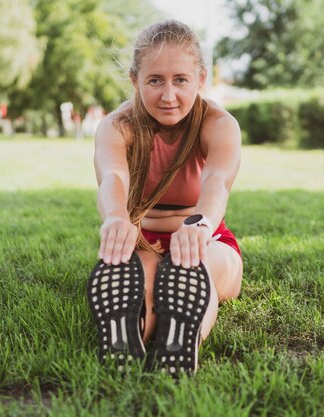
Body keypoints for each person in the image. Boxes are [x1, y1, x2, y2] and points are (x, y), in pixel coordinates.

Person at [87, 19, 243, 376]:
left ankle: (183, 339)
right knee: (140, 278)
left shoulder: (218, 124)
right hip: (143, 240)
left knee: (199, 270)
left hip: (205, 237)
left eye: (181, 80)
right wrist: (115, 218)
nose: (168, 95)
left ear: (201, 79)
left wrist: (200, 226)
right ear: (135, 80)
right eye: (155, 80)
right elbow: (112, 178)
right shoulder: (117, 126)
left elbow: (217, 182)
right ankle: (134, 337)